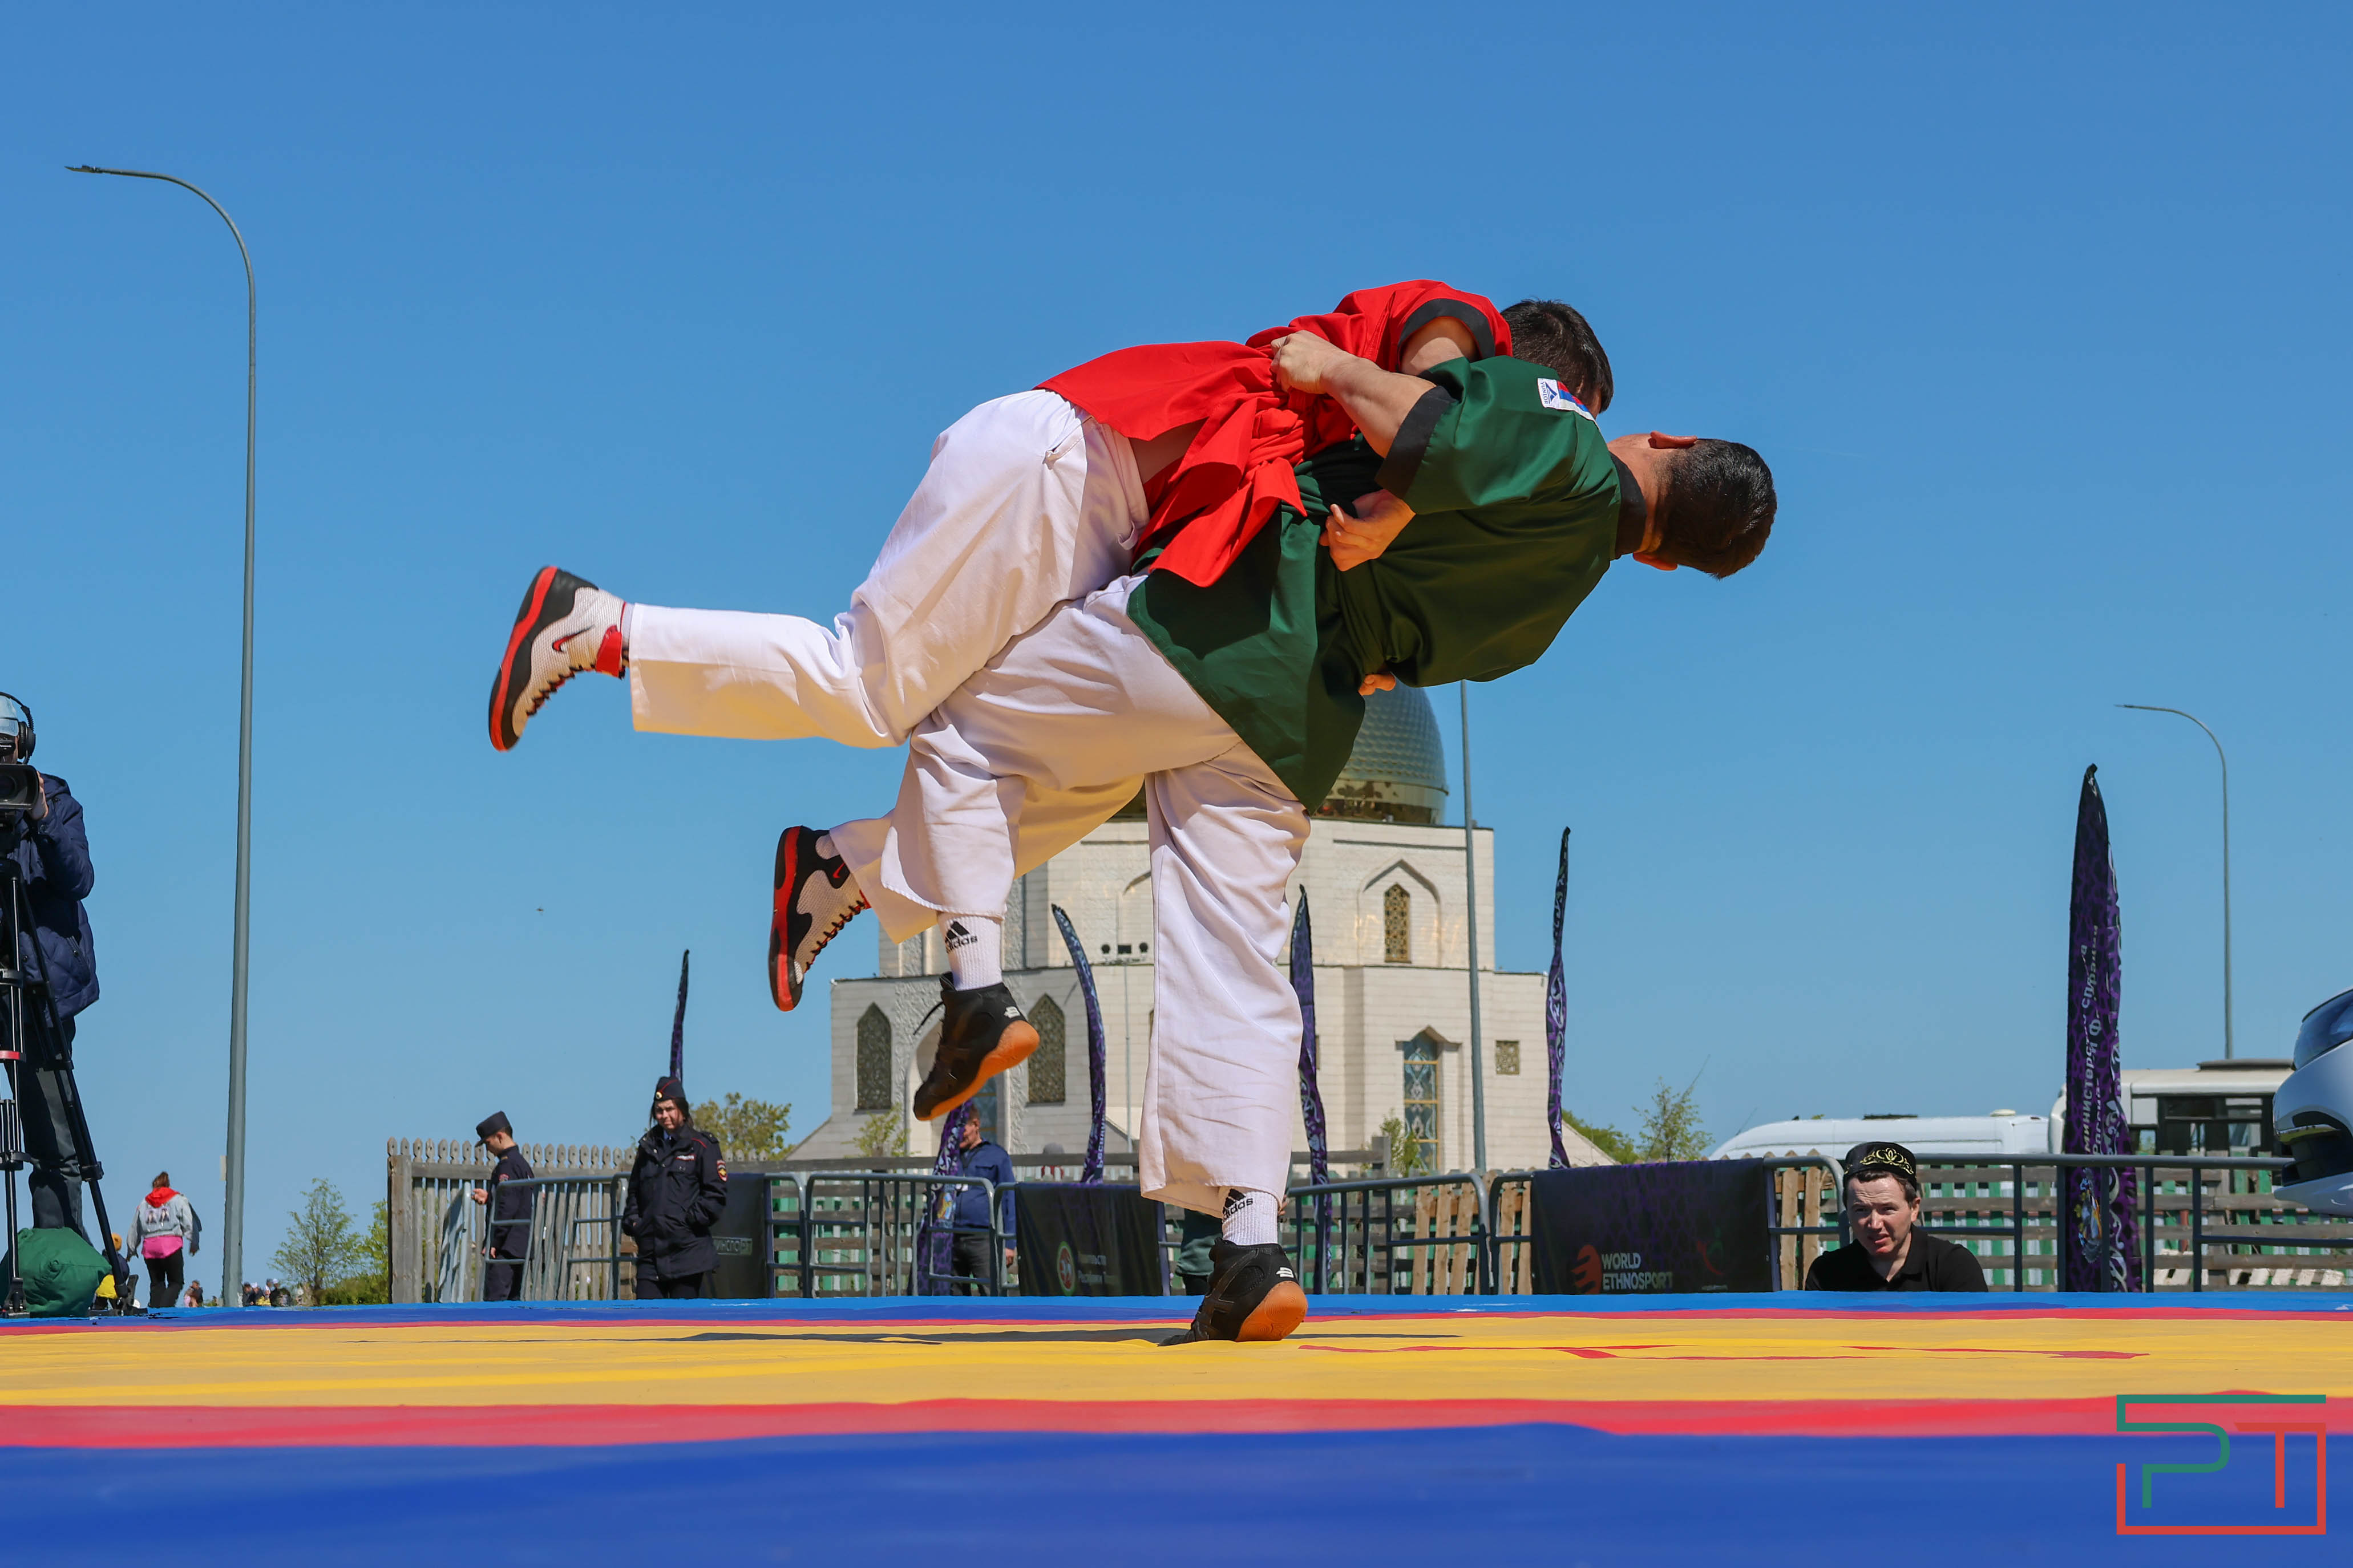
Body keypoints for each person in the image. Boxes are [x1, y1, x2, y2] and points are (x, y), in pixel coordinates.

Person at [485, 287, 1612, 1020]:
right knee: (868, 685)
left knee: (1095, 771)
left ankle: (844, 870)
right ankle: (598, 625)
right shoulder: (1454, 334)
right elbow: (1443, 394)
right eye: (1551, 444)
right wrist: (1418, 502)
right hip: (1063, 471)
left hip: (1101, 538)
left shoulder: (1388, 463)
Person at [0, 694, 110, 1254]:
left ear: (26, 748)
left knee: (52, 1132)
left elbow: (78, 878)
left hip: (41, 993)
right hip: (5, 986)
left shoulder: (55, 801)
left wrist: (38, 818)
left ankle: (63, 1261)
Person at [1804, 1141, 1989, 1292]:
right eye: (1861, 1210)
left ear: (1914, 1209)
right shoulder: (1827, 1274)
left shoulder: (1953, 1266)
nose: (1875, 1224)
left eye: (1887, 1209)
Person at [621, 1076, 726, 1299]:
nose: (665, 1116)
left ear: (682, 1109)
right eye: (660, 1111)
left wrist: (686, 1223)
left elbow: (715, 1196)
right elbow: (634, 1192)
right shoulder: (648, 1148)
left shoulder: (702, 1147)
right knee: (646, 1322)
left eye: (670, 1109)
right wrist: (636, 1223)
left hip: (687, 1254)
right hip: (651, 1255)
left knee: (682, 1324)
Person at [468, 1112, 535, 1302]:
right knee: (513, 1304)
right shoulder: (522, 1164)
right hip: (519, 1245)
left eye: (488, 1143)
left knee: (496, 1305)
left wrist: (494, 1243)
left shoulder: (507, 1166)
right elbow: (516, 1199)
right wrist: (491, 1198)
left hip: (505, 1248)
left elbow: (507, 1208)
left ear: (500, 1136)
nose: (488, 1149)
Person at [945, 1112, 1015, 1293]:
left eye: (963, 1128)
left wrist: (1010, 1244)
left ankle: (997, 1322)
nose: (959, 1133)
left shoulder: (996, 1156)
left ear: (976, 1125)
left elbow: (1009, 1199)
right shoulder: (949, 1157)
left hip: (984, 1237)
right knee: (954, 1294)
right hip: (952, 1235)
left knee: (991, 1290)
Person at [124, 1170, 201, 1311]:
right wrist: (194, 1241)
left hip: (150, 1247)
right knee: (176, 1282)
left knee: (157, 1283)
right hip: (171, 1245)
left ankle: (154, 1309)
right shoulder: (178, 1199)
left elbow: (135, 1227)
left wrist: (131, 1249)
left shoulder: (144, 1203)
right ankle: (164, 1309)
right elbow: (189, 1221)